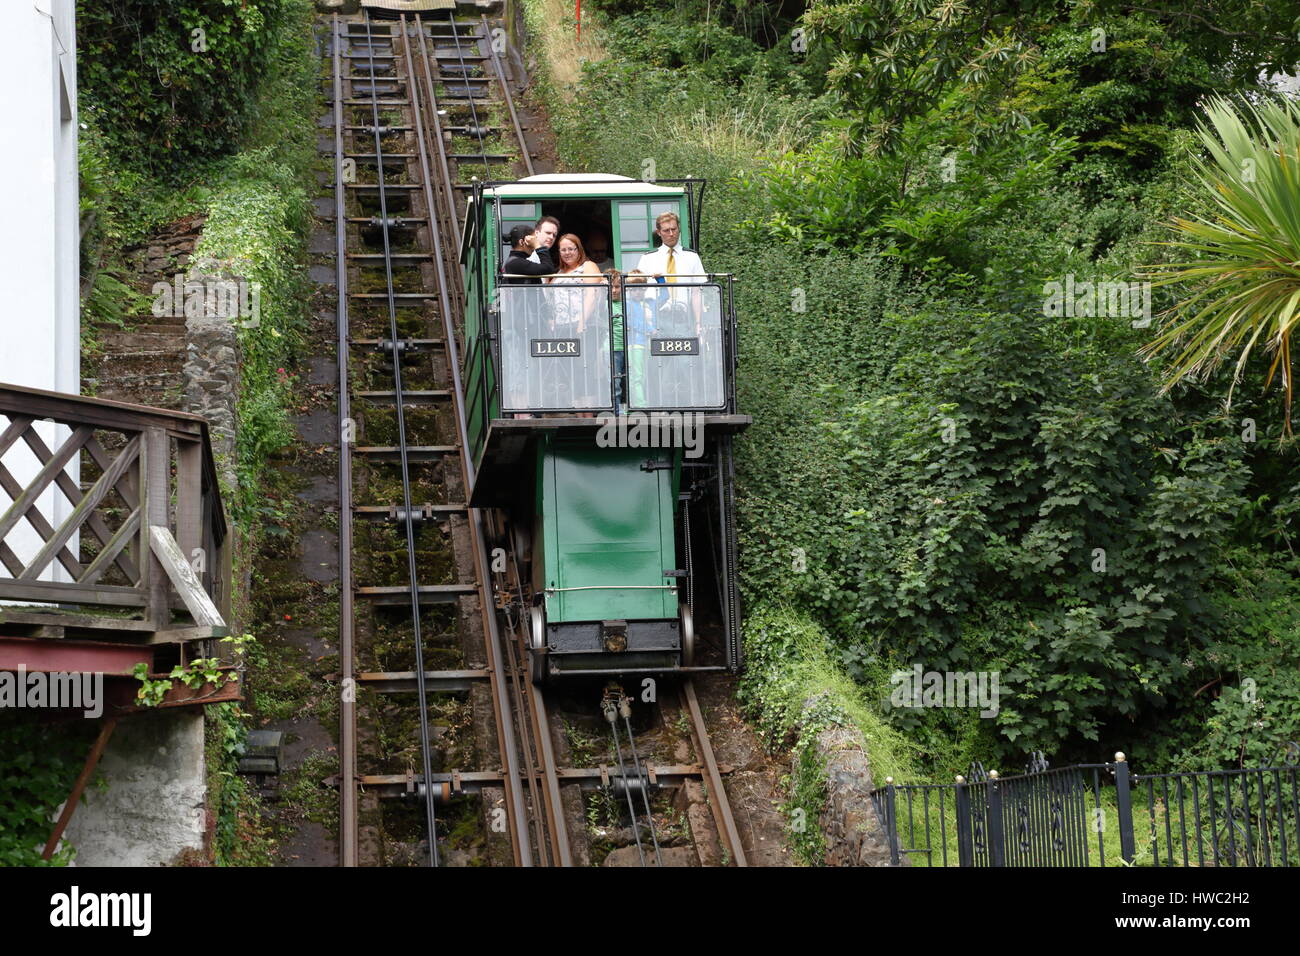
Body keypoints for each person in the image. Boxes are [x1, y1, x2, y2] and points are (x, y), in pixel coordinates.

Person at [547, 234, 605, 414]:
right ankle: (578, 410)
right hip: (563, 327)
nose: (567, 253)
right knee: (569, 370)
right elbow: (551, 301)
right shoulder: (558, 273)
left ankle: (588, 412)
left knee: (584, 367)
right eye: (563, 249)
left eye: (571, 248)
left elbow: (591, 294)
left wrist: (582, 322)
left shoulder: (588, 266)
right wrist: (553, 322)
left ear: (578, 249)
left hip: (585, 325)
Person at [634, 212, 704, 283]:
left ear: (679, 229)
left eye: (674, 229)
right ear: (659, 232)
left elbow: (700, 287)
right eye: (666, 230)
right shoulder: (647, 258)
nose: (671, 234)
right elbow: (639, 288)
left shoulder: (692, 256)